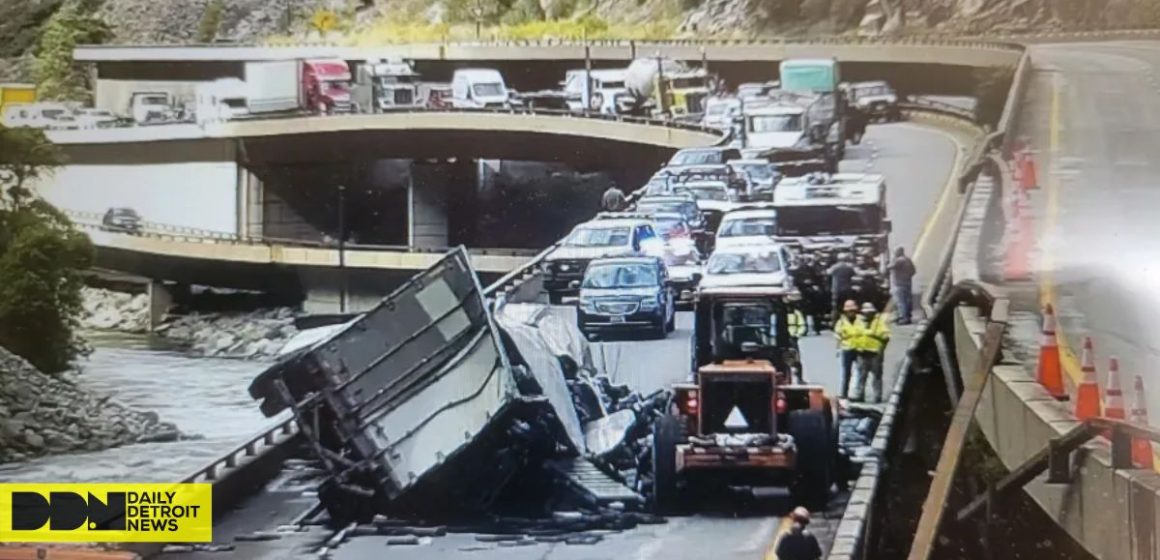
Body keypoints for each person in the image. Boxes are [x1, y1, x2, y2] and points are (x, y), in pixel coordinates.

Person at [855, 301, 891, 403]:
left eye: (869, 312)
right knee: (861, 376)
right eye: (865, 312)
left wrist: (873, 336)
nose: (867, 314)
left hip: (875, 353)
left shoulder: (879, 322)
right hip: (862, 353)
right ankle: (860, 395)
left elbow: (886, 336)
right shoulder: (859, 322)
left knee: (877, 377)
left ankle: (877, 396)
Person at [833, 299, 863, 400]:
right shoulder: (841, 322)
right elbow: (837, 335)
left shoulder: (861, 319)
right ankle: (844, 394)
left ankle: (859, 394)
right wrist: (838, 348)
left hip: (860, 349)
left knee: (861, 372)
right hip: (847, 349)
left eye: (852, 310)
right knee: (846, 373)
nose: (851, 312)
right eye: (849, 311)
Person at [889, 247, 917, 325]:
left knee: (901, 302)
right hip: (907, 283)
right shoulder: (908, 260)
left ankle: (904, 318)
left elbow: (889, 267)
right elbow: (914, 271)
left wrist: (893, 259)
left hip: (899, 284)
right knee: (907, 301)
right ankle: (908, 316)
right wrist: (907, 276)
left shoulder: (899, 260)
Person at [827, 253, 857, 324]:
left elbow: (828, 273)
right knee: (848, 306)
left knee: (836, 307)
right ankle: (849, 320)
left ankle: (836, 322)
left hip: (837, 290)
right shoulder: (849, 267)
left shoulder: (834, 267)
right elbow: (855, 273)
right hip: (847, 289)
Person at [786, 292, 808, 384]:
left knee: (796, 360)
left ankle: (800, 378)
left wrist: (798, 334)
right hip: (783, 338)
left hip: (793, 338)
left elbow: (802, 326)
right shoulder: (781, 313)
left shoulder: (797, 314)